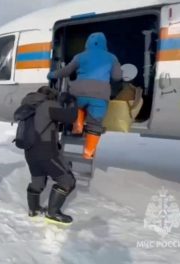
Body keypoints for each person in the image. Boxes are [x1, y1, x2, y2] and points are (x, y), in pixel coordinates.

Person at [48, 32, 122, 159]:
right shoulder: (112, 57)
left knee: (78, 105)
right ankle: (88, 152)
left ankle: (78, 124)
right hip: (99, 95)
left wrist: (52, 75)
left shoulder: (80, 56)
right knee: (95, 122)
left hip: (79, 92)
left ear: (87, 43)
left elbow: (66, 71)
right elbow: (117, 77)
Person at [15, 87, 77, 224]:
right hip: (46, 153)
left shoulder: (28, 106)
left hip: (30, 153)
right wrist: (71, 102)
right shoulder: (48, 105)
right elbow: (71, 117)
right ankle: (53, 213)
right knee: (67, 181)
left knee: (38, 182)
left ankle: (34, 209)